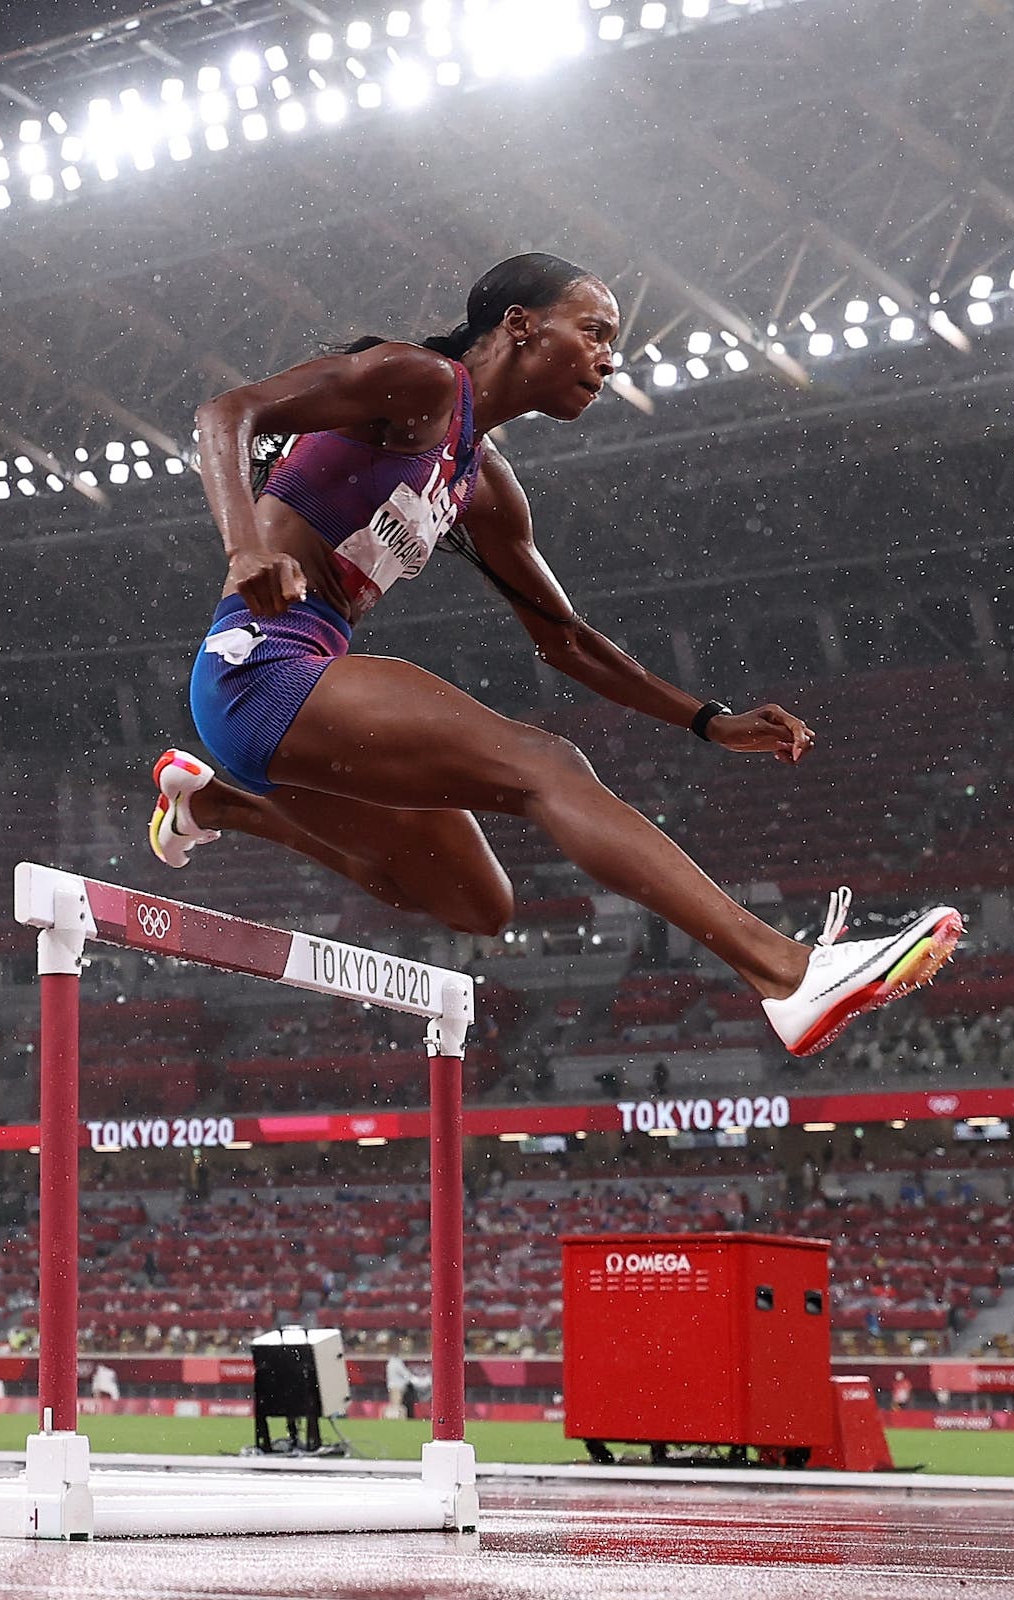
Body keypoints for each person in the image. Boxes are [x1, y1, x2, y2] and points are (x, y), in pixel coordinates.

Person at [148, 253, 962, 1056]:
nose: (611, 357)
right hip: (260, 668)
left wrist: (709, 722)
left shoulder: (484, 484)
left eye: (616, 343)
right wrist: (244, 549)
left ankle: (216, 804)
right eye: (595, 330)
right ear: (520, 325)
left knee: (478, 904)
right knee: (549, 764)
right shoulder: (420, 381)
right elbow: (226, 413)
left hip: (282, 716)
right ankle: (787, 974)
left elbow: (564, 640)